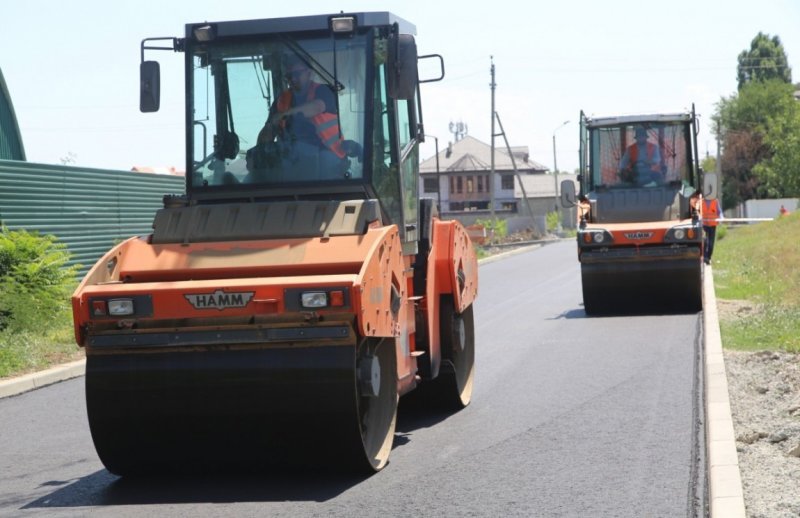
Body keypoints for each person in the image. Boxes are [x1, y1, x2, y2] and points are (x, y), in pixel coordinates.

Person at [248, 55, 349, 179]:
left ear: (310, 73)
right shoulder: (281, 101)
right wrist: (263, 145)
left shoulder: (324, 91)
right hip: (292, 160)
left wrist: (286, 114)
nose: (292, 79)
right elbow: (267, 134)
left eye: (297, 74)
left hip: (329, 160)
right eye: (289, 76)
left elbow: (317, 107)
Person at [703, 196, 722, 265]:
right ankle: (705, 257)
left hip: (712, 226)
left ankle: (708, 257)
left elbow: (719, 212)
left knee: (711, 243)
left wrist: (721, 218)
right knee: (705, 241)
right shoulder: (701, 201)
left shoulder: (715, 201)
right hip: (704, 225)